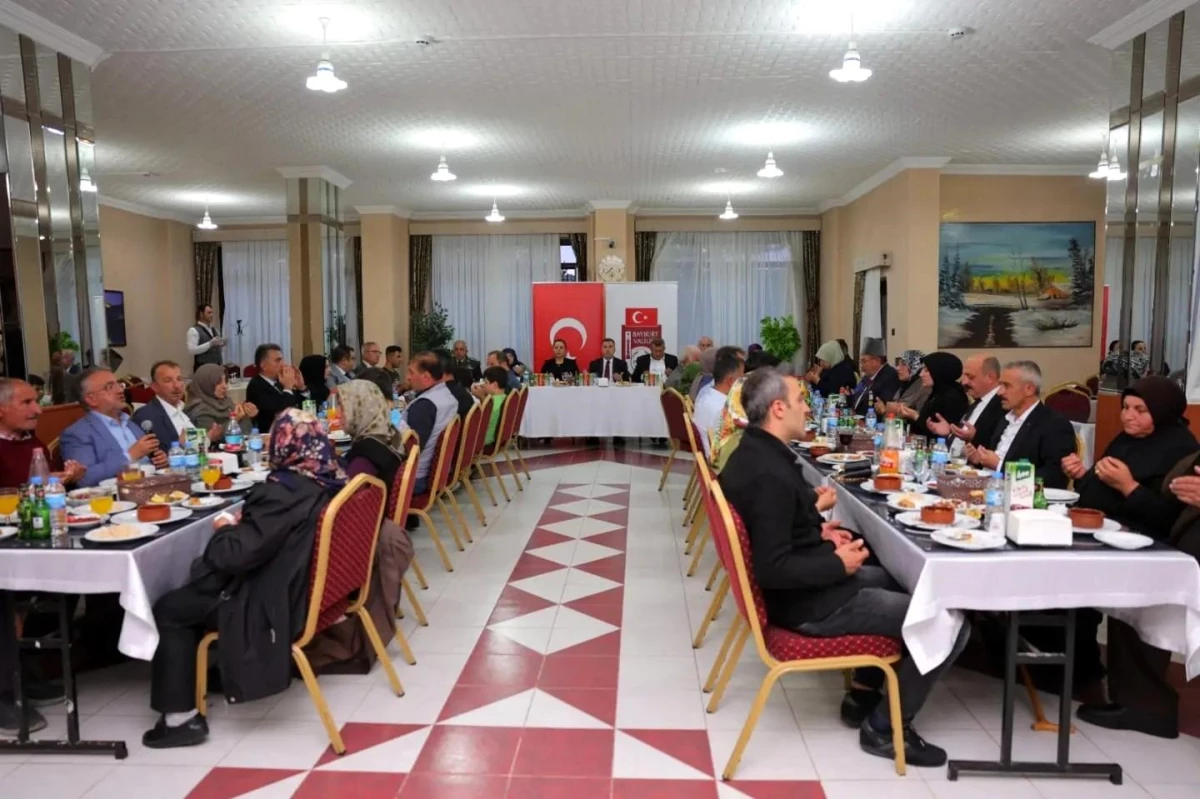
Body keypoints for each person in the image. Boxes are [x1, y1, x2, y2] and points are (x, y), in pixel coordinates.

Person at [720, 369, 966, 766]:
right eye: (801, 401)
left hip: (806, 587)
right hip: (804, 605)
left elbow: (781, 531)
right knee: (948, 618)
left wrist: (818, 533)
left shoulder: (755, 451)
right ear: (778, 408)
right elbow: (772, 567)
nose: (806, 408)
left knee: (899, 578)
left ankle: (865, 689)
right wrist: (836, 563)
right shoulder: (769, 473)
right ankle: (885, 730)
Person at [142, 409, 344, 748]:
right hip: (301, 591)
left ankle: (180, 719)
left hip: (267, 601)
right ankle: (213, 673)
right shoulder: (329, 478)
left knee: (170, 607)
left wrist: (224, 530)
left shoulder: (283, 491)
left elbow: (231, 557)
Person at [1077, 449, 1200, 738]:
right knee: (1134, 606)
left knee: (1143, 604)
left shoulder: (1175, 442)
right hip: (1171, 552)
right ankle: (1143, 704)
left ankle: (1148, 705)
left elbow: (1161, 511)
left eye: (1140, 409)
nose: (1129, 416)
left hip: (1178, 558)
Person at [302, 381, 413, 675]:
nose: (339, 414)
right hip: (376, 529)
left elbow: (342, 502)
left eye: (343, 407)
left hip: (354, 544)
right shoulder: (387, 436)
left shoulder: (365, 455)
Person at [1063, 376, 1198, 537]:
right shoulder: (1126, 439)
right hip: (1098, 528)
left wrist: (1129, 487)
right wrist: (1082, 475)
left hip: (1143, 542)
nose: (1128, 416)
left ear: (1161, 411)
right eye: (1126, 407)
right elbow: (1100, 487)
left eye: (1140, 410)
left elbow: (1171, 520)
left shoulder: (1181, 450)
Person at [964, 361, 1077, 488]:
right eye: (1000, 385)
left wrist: (1001, 466)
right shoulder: (1004, 418)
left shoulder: (1054, 425)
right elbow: (994, 460)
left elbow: (1054, 477)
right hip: (991, 488)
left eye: (1006, 386)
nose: (999, 392)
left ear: (1029, 389)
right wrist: (979, 461)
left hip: (1021, 499)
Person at [61, 368, 168, 486]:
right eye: (110, 387)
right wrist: (130, 456)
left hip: (155, 486)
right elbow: (85, 478)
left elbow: (151, 459)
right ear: (91, 399)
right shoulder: (78, 433)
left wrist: (160, 461)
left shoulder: (130, 423)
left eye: (119, 384)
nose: (120, 390)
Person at [0, 378, 84, 490]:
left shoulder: (31, 441)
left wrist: (69, 477)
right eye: (26, 402)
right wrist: (38, 486)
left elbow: (51, 491)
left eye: (37, 402)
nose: (38, 410)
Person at [926, 355, 1004, 459]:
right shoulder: (978, 401)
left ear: (990, 377)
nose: (964, 382)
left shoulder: (1001, 405)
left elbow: (998, 446)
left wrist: (973, 438)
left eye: (970, 377)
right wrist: (949, 433)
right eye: (964, 376)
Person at [405, 352, 461, 495]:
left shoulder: (424, 406)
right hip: (433, 473)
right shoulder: (447, 397)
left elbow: (408, 450)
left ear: (426, 377)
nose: (408, 377)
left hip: (414, 478)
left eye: (411, 372)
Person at [888, 352, 969, 439]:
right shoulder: (937, 392)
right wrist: (912, 414)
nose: (921, 374)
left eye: (926, 370)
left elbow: (936, 432)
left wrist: (915, 416)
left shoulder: (952, 397)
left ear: (939, 372)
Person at [132, 361, 198, 451]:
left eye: (179, 379)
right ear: (155, 387)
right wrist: (180, 446)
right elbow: (154, 457)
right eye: (168, 380)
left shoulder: (185, 409)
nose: (177, 386)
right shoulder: (147, 416)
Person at [184, 363, 258, 439]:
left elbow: (245, 431)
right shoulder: (200, 410)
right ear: (205, 383)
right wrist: (235, 419)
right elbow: (210, 440)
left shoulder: (224, 401)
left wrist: (248, 415)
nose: (225, 386)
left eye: (225, 380)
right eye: (218, 382)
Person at [692, 350, 744, 457]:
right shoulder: (724, 409)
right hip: (725, 465)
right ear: (730, 381)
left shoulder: (706, 396)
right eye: (741, 378)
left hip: (711, 458)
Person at [245, 344, 305, 431]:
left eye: (282, 360)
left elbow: (300, 407)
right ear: (263, 366)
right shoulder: (256, 386)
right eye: (278, 360)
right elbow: (282, 413)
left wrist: (302, 388)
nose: (283, 364)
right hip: (271, 436)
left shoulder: (280, 382)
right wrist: (288, 387)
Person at [849, 338, 900, 414]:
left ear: (876, 361)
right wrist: (847, 397)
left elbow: (878, 406)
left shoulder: (890, 377)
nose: (861, 366)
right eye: (860, 362)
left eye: (864, 361)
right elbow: (859, 398)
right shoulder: (868, 376)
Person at [879, 350, 929, 419]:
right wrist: (885, 411)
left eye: (904, 364)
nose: (898, 368)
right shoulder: (903, 385)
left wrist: (891, 408)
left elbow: (920, 418)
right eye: (898, 364)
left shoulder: (924, 387)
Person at [473, 366, 509, 446]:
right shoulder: (504, 397)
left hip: (485, 441)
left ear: (495, 384)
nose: (483, 385)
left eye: (486, 382)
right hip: (498, 440)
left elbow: (481, 421)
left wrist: (481, 396)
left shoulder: (492, 403)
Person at [187, 304, 225, 373]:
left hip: (217, 368)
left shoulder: (214, 330)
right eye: (209, 312)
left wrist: (221, 345)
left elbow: (217, 350)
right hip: (203, 370)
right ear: (201, 314)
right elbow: (191, 350)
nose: (212, 315)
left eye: (212, 312)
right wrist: (210, 344)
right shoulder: (193, 330)